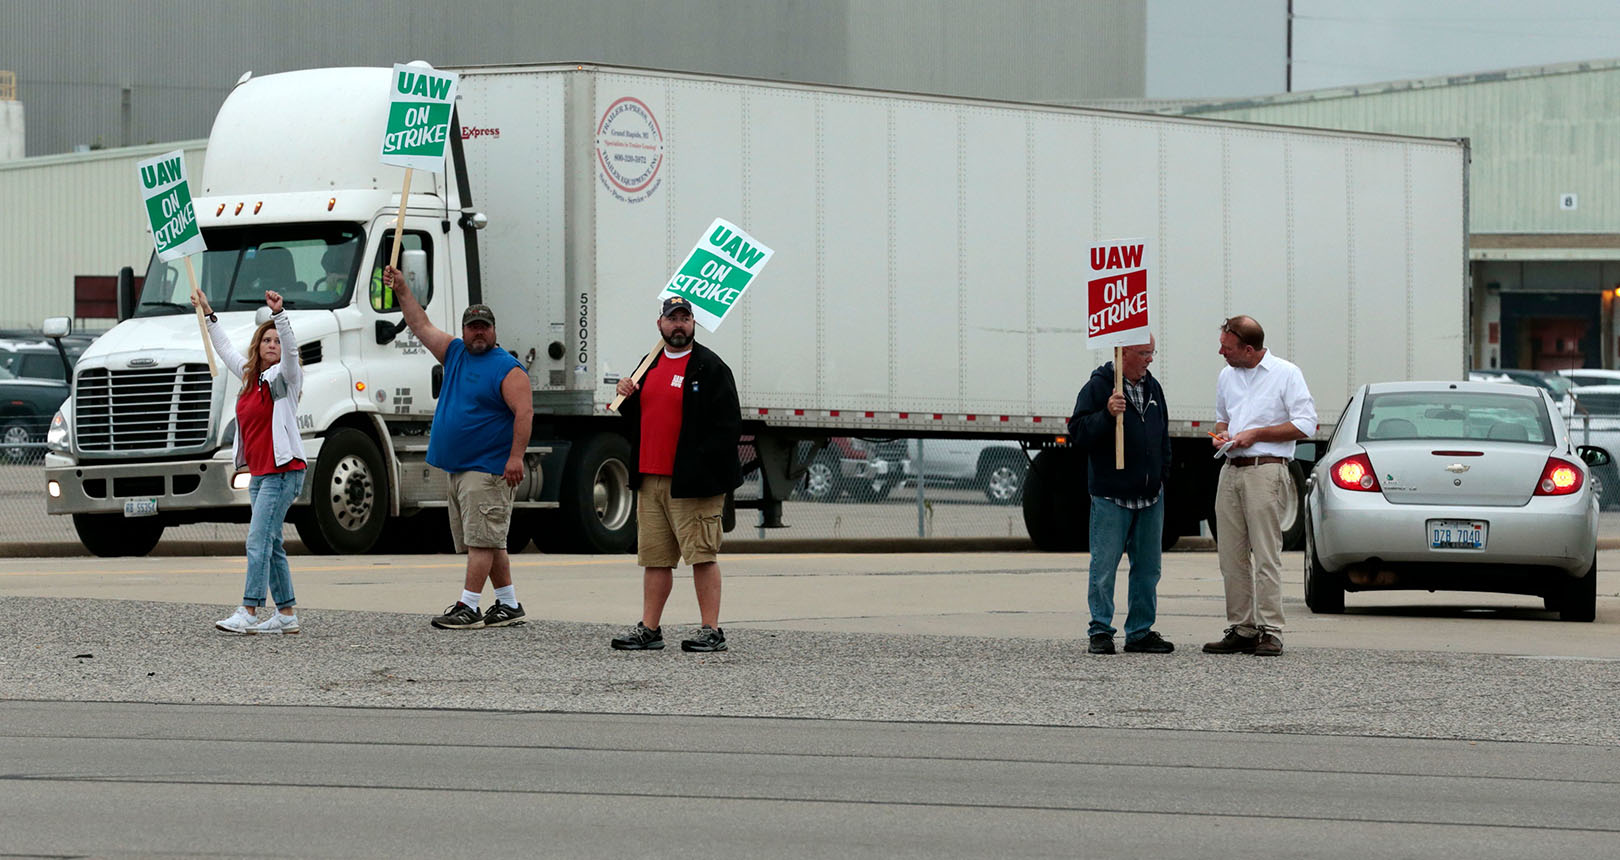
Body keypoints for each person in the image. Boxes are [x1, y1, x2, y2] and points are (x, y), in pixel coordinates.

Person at [381, 265, 533, 630]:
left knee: (482, 539)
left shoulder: (508, 369)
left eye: (484, 327)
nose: (478, 333)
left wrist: (515, 458)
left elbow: (524, 413)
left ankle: (468, 605)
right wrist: (402, 289)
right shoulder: (454, 353)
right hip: (460, 467)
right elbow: (420, 325)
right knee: (487, 537)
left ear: (494, 331)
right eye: (472, 327)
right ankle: (509, 603)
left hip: (488, 467)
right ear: (465, 330)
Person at [609, 296, 742, 653]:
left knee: (701, 555)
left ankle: (711, 630)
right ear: (660, 324)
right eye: (672, 319)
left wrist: (700, 465)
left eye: (685, 318)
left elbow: (728, 428)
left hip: (693, 484)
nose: (678, 325)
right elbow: (640, 419)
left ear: (694, 323)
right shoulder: (648, 364)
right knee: (655, 559)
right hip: (650, 479)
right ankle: (650, 630)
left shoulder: (710, 368)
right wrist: (627, 396)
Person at [1204, 315, 1316, 657]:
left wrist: (1257, 434)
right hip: (1231, 467)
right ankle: (1242, 627)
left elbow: (1306, 424)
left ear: (1249, 349)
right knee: (1231, 555)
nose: (1220, 351)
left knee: (1266, 553)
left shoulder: (1286, 373)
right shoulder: (1227, 375)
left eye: (1227, 347)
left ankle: (1271, 629)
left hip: (1265, 469)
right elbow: (1224, 416)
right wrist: (1222, 433)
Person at [199, 288, 308, 635]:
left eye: (276, 340)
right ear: (258, 346)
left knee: (257, 540)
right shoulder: (249, 379)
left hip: (284, 471)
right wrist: (208, 312)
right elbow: (225, 348)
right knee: (271, 541)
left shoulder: (286, 380)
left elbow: (292, 352)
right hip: (261, 474)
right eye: (267, 340)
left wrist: (280, 315)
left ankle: (248, 610)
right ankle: (286, 614)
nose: (273, 344)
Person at [1067, 336, 1174, 655]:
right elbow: (1078, 432)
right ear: (1122, 353)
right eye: (1144, 353)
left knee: (1148, 568)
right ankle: (1100, 629)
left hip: (1150, 496)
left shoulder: (1154, 389)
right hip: (1111, 495)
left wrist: (1161, 475)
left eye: (1152, 352)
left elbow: (1163, 435)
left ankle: (1140, 631)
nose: (1149, 359)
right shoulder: (1099, 387)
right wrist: (1106, 415)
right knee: (1104, 565)